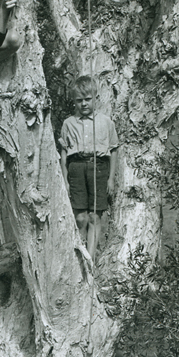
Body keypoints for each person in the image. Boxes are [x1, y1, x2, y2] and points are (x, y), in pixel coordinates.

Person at [59, 76, 118, 262]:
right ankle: (78, 258)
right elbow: (63, 153)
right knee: (80, 218)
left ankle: (90, 262)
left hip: (99, 168)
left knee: (94, 217)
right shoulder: (68, 123)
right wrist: (65, 179)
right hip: (76, 168)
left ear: (95, 98)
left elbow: (113, 150)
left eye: (87, 99)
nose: (83, 104)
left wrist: (111, 178)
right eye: (79, 100)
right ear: (74, 101)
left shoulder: (106, 122)